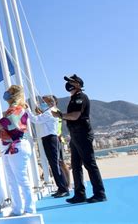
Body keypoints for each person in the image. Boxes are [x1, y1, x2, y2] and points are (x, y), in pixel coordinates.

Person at [52, 74, 106, 204]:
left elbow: (75, 116)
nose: (68, 84)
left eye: (71, 82)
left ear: (78, 84)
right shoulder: (73, 98)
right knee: (76, 166)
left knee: (89, 164)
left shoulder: (81, 97)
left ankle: (99, 193)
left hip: (83, 134)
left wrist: (60, 115)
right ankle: (79, 194)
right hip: (75, 135)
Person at [0, 85, 35, 215]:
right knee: (12, 180)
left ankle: (29, 209)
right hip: (10, 147)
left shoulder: (17, 109)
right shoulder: (11, 111)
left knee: (21, 178)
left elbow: (9, 125)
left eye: (8, 92)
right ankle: (17, 209)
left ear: (13, 95)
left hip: (17, 146)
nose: (6, 93)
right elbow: (6, 127)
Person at [26, 95, 69, 198]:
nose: (42, 104)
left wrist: (27, 109)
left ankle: (63, 188)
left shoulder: (50, 112)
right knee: (53, 164)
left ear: (50, 103)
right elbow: (42, 120)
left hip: (51, 139)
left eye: (44, 102)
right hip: (48, 138)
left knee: (55, 164)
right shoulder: (48, 113)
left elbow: (35, 120)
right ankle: (61, 187)